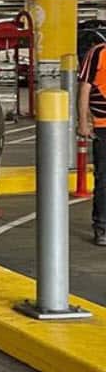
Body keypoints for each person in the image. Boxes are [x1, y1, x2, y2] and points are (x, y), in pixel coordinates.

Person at [77, 42, 106, 245]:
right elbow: (85, 87)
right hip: (103, 125)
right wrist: (83, 121)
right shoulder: (98, 52)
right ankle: (102, 227)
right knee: (104, 178)